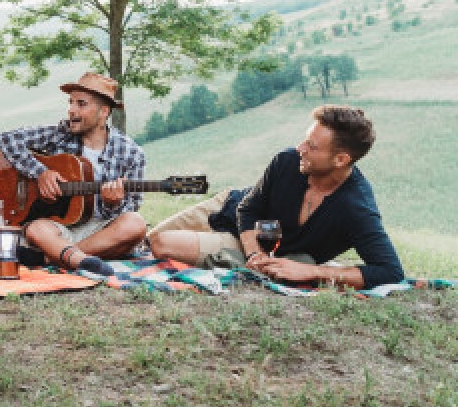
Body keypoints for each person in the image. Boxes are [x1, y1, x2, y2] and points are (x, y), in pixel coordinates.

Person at [148, 105, 404, 289]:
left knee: (163, 244)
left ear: (341, 160)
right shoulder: (287, 161)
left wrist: (310, 270)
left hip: (253, 246)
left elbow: (390, 271)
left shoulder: (356, 207)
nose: (300, 149)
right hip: (228, 209)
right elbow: (248, 209)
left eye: (311, 147)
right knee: (149, 241)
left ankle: (225, 258)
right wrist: (253, 254)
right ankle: (230, 260)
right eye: (305, 140)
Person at [0, 71, 147, 275]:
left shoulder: (131, 153)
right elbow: (6, 139)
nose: (71, 110)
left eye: (81, 104)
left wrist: (113, 204)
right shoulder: (60, 135)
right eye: (71, 102)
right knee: (35, 229)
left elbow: (132, 206)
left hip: (100, 230)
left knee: (135, 224)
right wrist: (41, 173)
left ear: (103, 112)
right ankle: (77, 258)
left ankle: (56, 256)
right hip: (60, 227)